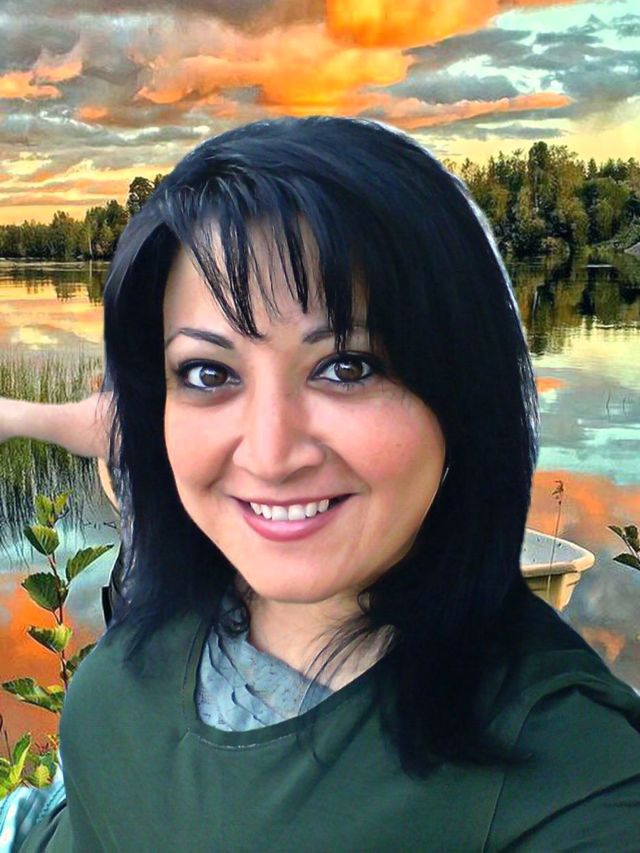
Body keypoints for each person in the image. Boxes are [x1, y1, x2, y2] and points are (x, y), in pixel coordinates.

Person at [1, 115, 640, 851]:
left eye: (346, 367)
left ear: (464, 392)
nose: (271, 454)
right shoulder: (155, 640)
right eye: (208, 373)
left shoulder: (568, 771)